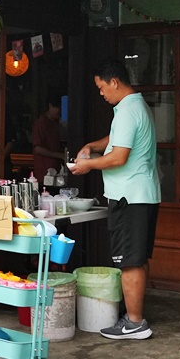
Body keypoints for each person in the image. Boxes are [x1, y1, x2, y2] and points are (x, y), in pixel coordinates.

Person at [70, 59, 159, 340]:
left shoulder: (127, 111)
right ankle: (134, 317)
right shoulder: (134, 106)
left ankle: (134, 323)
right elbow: (118, 139)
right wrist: (93, 146)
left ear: (114, 82)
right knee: (138, 257)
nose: (100, 93)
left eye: (101, 87)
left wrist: (87, 165)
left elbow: (119, 156)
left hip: (129, 195)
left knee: (130, 261)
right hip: (142, 194)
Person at [30, 94, 65, 180]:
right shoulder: (40, 124)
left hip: (57, 171)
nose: (60, 112)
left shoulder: (57, 123)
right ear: (50, 106)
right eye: (58, 109)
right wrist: (59, 155)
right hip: (44, 172)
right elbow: (37, 149)